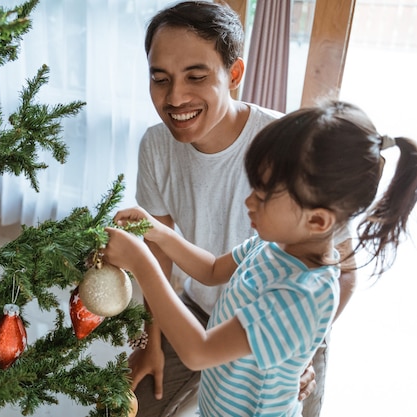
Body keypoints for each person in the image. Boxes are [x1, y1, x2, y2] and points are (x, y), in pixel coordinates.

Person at [105, 100, 417, 416]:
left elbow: (199, 352)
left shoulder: (302, 295)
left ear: (318, 221)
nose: (249, 201)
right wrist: (159, 232)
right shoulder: (275, 246)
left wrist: (141, 262)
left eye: (264, 195)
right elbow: (212, 269)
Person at [127, 2, 355, 416]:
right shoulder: (156, 147)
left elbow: (344, 271)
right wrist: (151, 340)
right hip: (202, 308)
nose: (175, 97)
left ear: (233, 75)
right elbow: (201, 265)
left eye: (196, 77)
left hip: (284, 327)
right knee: (129, 404)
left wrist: (296, 349)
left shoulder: (286, 150)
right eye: (160, 79)